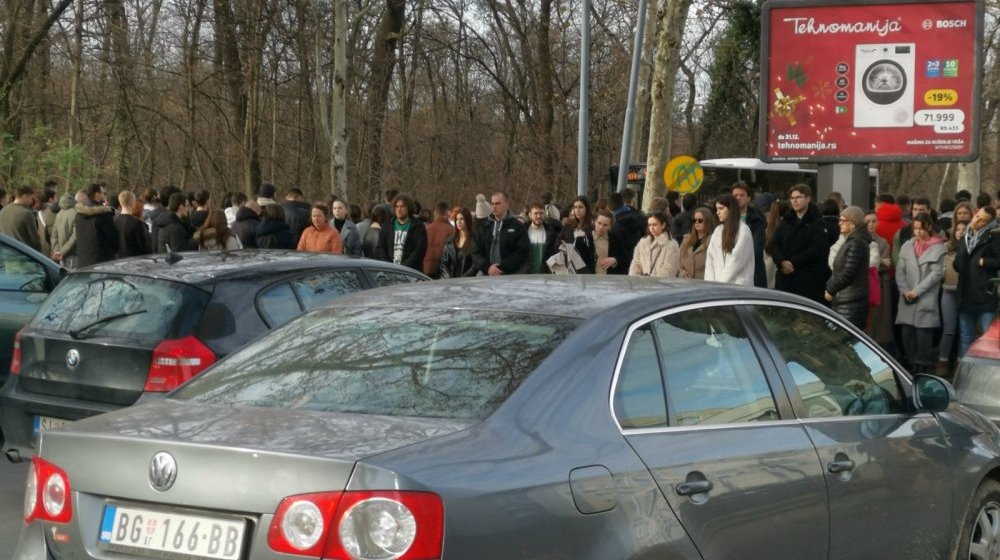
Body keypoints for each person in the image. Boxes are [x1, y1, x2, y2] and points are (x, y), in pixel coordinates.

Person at [896, 212, 946, 373]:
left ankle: (923, 368)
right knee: (907, 335)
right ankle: (910, 368)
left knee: (923, 337)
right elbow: (900, 271)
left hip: (925, 298)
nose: (918, 232)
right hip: (907, 298)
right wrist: (904, 290)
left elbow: (936, 274)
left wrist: (916, 291)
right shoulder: (907, 246)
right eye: (915, 228)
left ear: (929, 227)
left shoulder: (938, 247)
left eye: (921, 229)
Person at [771, 184, 830, 303]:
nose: (795, 201)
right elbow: (774, 244)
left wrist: (792, 263)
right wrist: (781, 261)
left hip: (807, 281)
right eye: (792, 198)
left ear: (808, 198)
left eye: (798, 197)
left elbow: (816, 249)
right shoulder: (786, 221)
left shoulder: (818, 223)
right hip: (785, 280)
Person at [954, 205, 1000, 357]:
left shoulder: (994, 237)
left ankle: (988, 373)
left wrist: (984, 262)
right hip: (965, 294)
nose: (976, 221)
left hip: (985, 294)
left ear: (988, 223)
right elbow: (958, 265)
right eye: (977, 216)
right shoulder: (966, 237)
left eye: (982, 220)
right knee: (965, 337)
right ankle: (963, 372)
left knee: (989, 340)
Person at [824, 206, 871, 329]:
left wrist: (830, 289)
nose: (839, 223)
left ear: (853, 224)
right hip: (845, 301)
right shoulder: (851, 241)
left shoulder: (857, 243)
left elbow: (848, 273)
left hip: (850, 304)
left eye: (843, 220)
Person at [474, 191, 528, 275]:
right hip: (486, 274)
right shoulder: (484, 227)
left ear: (507, 204)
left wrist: (501, 267)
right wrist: (487, 268)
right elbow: (475, 252)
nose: (494, 207)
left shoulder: (518, 227)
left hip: (511, 274)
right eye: (492, 204)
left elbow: (522, 252)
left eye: (498, 203)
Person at [938, 219, 968, 374]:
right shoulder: (946, 248)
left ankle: (960, 364)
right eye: (958, 229)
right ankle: (942, 362)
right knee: (949, 330)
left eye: (964, 229)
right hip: (948, 291)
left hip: (966, 294)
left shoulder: (972, 248)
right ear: (953, 232)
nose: (961, 232)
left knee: (964, 331)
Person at [705, 194, 754, 285]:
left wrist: (719, 284)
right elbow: (710, 258)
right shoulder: (718, 230)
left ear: (731, 209)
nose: (717, 212)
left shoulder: (744, 231)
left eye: (721, 208)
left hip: (737, 287)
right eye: (716, 209)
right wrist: (710, 284)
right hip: (716, 287)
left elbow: (736, 262)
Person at [864, 210, 895, 349]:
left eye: (874, 221)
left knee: (878, 320)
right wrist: (879, 261)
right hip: (863, 283)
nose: (871, 224)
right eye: (868, 221)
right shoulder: (859, 240)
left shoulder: (883, 242)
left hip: (879, 283)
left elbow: (886, 264)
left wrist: (878, 262)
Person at [730, 182, 768, 287]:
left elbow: (756, 250)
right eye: (735, 196)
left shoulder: (757, 220)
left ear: (748, 198)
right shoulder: (724, 220)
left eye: (742, 195)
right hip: (730, 275)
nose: (738, 198)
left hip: (753, 274)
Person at [378, 193, 427, 271]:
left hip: (411, 272)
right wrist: (388, 266)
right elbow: (380, 248)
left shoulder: (418, 226)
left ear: (409, 208)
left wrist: (404, 268)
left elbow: (420, 250)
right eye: (397, 206)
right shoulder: (387, 226)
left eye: (402, 206)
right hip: (390, 271)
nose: (399, 209)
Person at [75, 183, 118, 267]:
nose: (104, 195)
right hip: (101, 260)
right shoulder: (103, 214)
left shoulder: (79, 214)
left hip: (83, 259)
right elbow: (113, 237)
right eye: (103, 193)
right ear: (97, 194)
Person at [628, 212, 678, 277]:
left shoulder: (671, 245)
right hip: (643, 285)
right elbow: (636, 264)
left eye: (654, 225)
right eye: (649, 225)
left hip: (662, 285)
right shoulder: (642, 243)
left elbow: (669, 271)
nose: (651, 228)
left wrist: (650, 278)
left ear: (663, 225)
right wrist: (637, 279)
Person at [559, 196, 596, 273]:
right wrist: (566, 246)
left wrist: (585, 238)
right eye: (575, 207)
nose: (577, 210)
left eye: (580, 207)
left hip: (586, 268)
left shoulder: (592, 227)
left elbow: (593, 250)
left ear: (587, 208)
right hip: (568, 267)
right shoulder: (568, 225)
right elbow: (558, 242)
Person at [523, 201, 561, 273]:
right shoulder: (522, 232)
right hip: (526, 277)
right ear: (530, 215)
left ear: (545, 214)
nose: (539, 216)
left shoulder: (552, 232)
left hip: (546, 277)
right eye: (536, 213)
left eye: (541, 213)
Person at [678, 206, 715, 280]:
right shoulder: (686, 239)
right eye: (694, 220)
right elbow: (678, 261)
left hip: (703, 282)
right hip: (685, 282)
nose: (697, 223)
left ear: (707, 221)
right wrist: (683, 274)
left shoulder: (713, 240)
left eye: (700, 220)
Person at [0, 186, 41, 251]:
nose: (31, 201)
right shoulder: (27, 213)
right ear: (25, 196)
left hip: (7, 252)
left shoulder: (3, 211)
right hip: (24, 254)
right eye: (30, 198)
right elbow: (35, 240)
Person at [440, 208, 478, 278]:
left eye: (462, 219)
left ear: (467, 220)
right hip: (451, 281)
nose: (459, 222)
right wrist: (447, 277)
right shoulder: (450, 240)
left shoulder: (475, 240)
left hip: (468, 281)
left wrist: (463, 278)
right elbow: (443, 262)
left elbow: (476, 264)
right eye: (457, 219)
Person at [114, 191, 152, 258]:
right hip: (134, 261)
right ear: (132, 202)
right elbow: (145, 247)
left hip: (118, 261)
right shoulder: (137, 223)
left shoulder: (114, 222)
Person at [423, 202, 454, 278]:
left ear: (435, 213)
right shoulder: (451, 230)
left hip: (425, 271)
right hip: (442, 273)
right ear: (447, 213)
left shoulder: (426, 229)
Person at [592, 209, 627, 275]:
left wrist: (615, 260)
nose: (601, 227)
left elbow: (624, 259)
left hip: (608, 280)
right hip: (589, 280)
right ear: (595, 221)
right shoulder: (585, 238)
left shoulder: (615, 239)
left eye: (605, 225)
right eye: (599, 223)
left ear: (610, 226)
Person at [51, 192, 80, 267]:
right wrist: (63, 251)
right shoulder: (76, 214)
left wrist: (57, 251)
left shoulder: (58, 214)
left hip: (60, 255)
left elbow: (54, 235)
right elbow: (75, 236)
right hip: (73, 254)